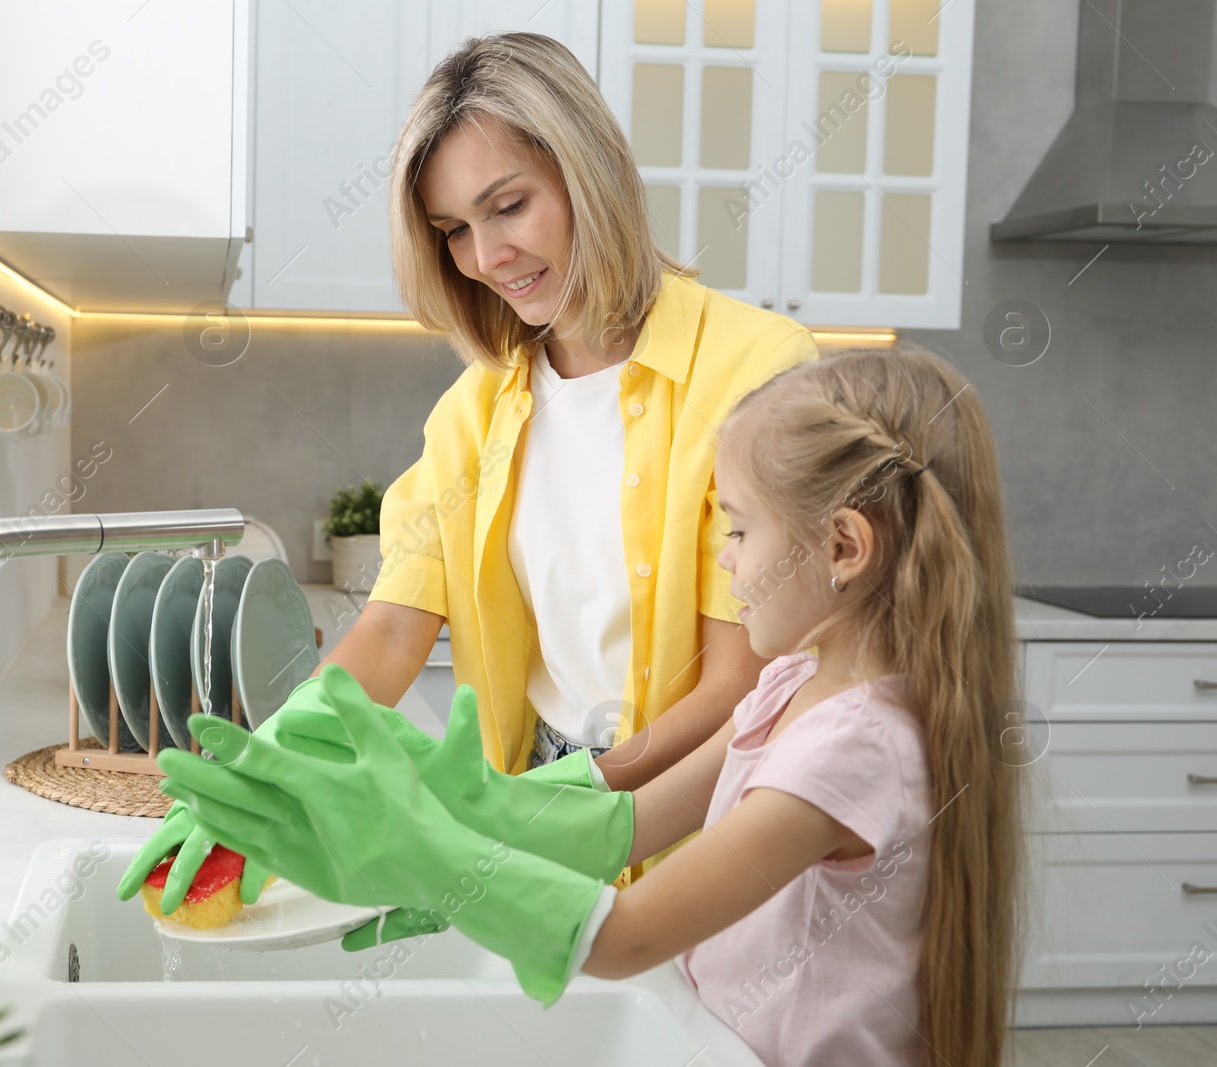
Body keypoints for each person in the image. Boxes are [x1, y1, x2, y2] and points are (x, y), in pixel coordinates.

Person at [158, 346, 1026, 1067]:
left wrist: (428, 856)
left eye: (739, 527)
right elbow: (628, 826)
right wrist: (453, 801)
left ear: (842, 546)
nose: (723, 561)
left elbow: (629, 935)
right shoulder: (793, 686)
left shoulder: (857, 748)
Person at [120, 29, 819, 911]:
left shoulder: (756, 372)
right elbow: (389, 633)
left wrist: (584, 799)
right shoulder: (475, 412)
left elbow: (745, 679)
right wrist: (275, 770)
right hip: (537, 797)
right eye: (454, 229)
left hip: (707, 814)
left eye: (509, 206)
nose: (486, 258)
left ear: (590, 168)